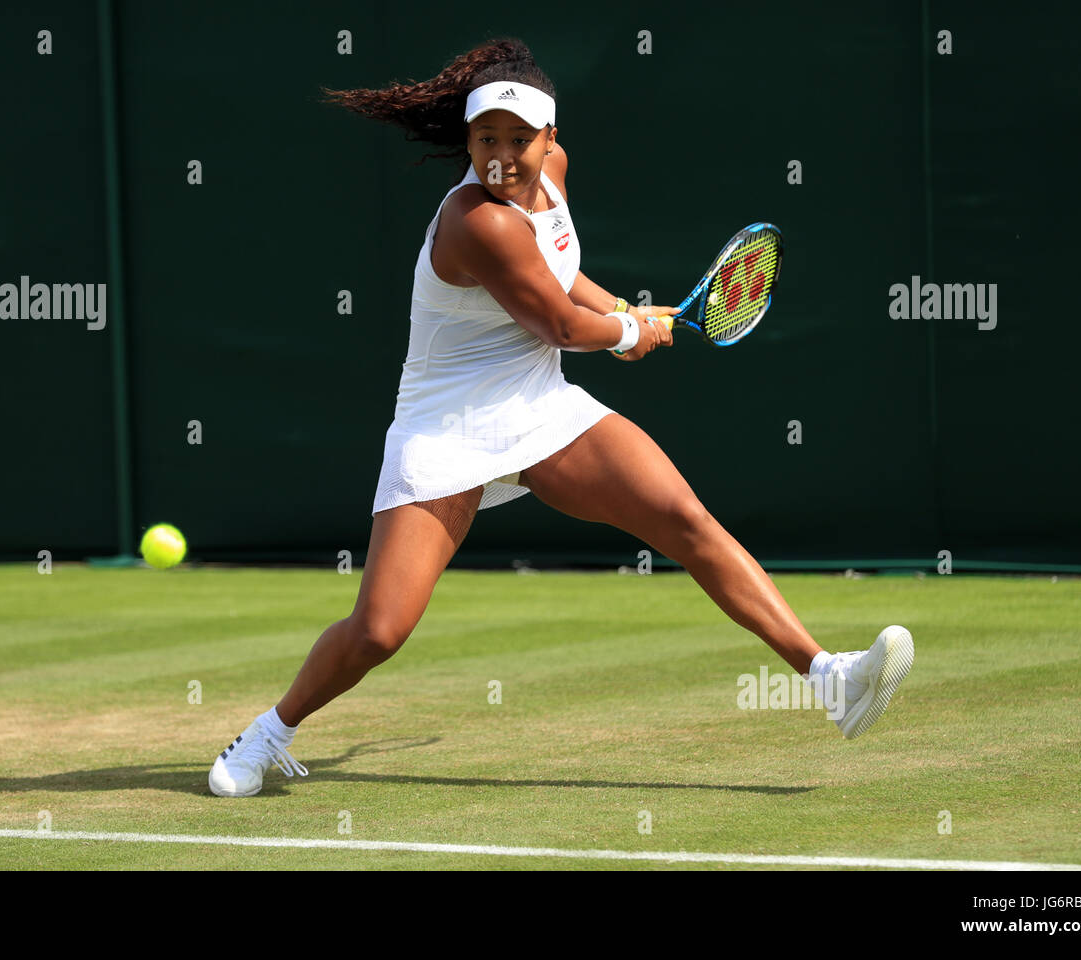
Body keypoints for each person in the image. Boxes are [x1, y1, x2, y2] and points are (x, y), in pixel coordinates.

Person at [208, 38, 913, 797]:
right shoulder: (478, 223)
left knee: (684, 519)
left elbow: (567, 278)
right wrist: (629, 332)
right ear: (469, 141)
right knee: (380, 630)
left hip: (541, 406)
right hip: (446, 430)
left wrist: (621, 309)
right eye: (486, 140)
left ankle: (827, 676)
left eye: (520, 140)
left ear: (550, 140)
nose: (502, 157)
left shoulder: (554, 179)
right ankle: (266, 734)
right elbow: (560, 326)